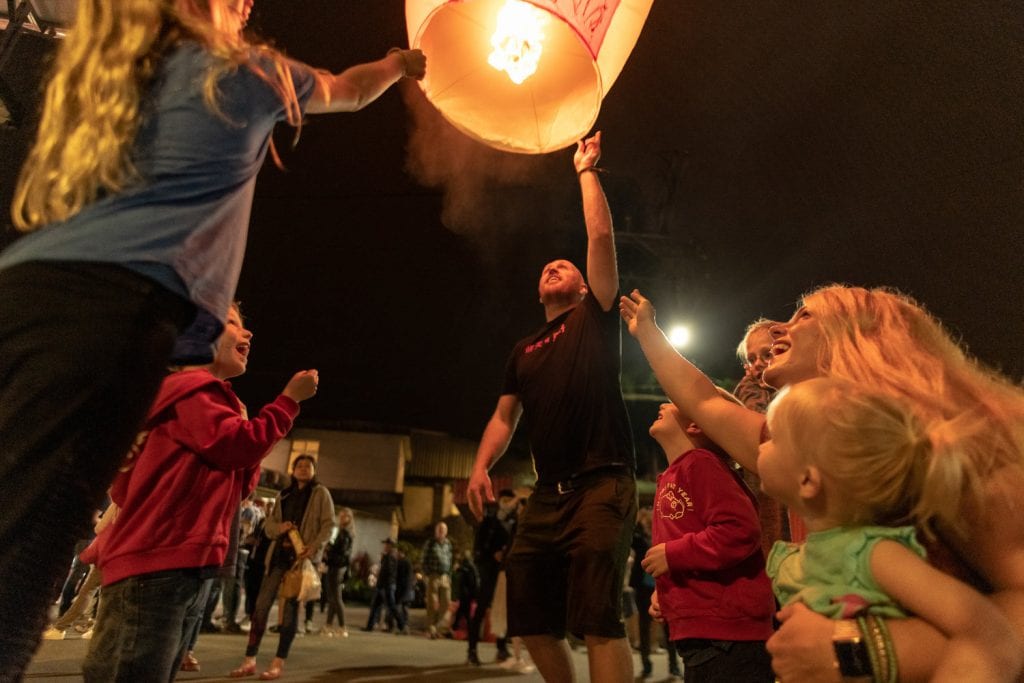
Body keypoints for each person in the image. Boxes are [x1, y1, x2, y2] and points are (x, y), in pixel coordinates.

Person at [0, 0, 424, 674]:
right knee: (23, 566)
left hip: (24, 288)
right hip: (111, 317)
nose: (250, 4)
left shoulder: (111, 72)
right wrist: (400, 64)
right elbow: (351, 86)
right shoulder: (245, 73)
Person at [619, 284, 1024, 680]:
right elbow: (704, 400)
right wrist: (649, 335)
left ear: (863, 338)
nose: (778, 327)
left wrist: (861, 648)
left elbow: (1004, 621)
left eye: (805, 314)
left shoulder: (962, 440)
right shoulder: (810, 450)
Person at [467, 131, 637, 683]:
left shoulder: (595, 319)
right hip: (547, 493)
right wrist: (479, 466)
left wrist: (586, 172)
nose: (552, 267)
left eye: (566, 266)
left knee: (597, 620)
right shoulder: (522, 350)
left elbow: (602, 235)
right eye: (547, 268)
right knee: (529, 614)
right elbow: (503, 418)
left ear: (587, 288)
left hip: (602, 484)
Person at [80, 303, 316, 681]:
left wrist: (246, 441)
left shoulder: (186, 397)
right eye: (233, 323)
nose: (248, 333)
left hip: (169, 561)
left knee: (123, 668)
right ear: (192, 337)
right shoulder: (193, 389)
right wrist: (288, 402)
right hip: (161, 558)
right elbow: (236, 447)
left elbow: (238, 481)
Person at [761, 377, 1022, 680]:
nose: (763, 444)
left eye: (775, 438)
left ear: (808, 481)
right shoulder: (813, 551)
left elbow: (985, 629)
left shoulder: (870, 553)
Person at [646, 399, 775, 681]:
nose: (664, 403)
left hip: (729, 638)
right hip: (707, 635)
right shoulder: (674, 474)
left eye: (675, 401)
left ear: (695, 424)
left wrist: (673, 556)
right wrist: (665, 591)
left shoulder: (701, 463)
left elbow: (739, 529)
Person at [467, 489, 518, 666]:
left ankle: (501, 648)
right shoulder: (489, 521)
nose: (507, 504)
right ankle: (472, 650)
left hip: (505, 572)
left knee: (503, 610)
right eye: (504, 500)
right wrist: (491, 555)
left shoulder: (515, 522)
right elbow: (479, 546)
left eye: (510, 500)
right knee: (481, 609)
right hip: (488, 570)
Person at [628, 508, 680, 679]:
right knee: (644, 626)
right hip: (643, 587)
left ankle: (673, 666)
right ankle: (646, 665)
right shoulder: (640, 536)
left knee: (667, 627)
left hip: (663, 584)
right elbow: (630, 537)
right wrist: (637, 522)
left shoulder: (663, 533)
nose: (648, 518)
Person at [321, 507, 354, 637]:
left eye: (344, 516)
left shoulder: (346, 534)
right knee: (332, 598)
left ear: (349, 519)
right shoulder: (338, 531)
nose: (341, 518)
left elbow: (343, 553)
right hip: (334, 566)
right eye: (340, 515)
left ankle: (342, 626)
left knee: (336, 597)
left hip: (338, 567)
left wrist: (330, 554)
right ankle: (329, 625)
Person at [421, 521, 454, 639]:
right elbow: (423, 559)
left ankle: (440, 628)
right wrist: (426, 574)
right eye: (439, 529)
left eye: (443, 530)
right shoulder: (430, 543)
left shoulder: (448, 544)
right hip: (433, 575)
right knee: (432, 603)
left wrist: (449, 575)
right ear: (436, 531)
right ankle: (431, 628)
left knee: (446, 602)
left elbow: (450, 559)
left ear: (446, 532)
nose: (441, 532)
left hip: (444, 576)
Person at [363, 538, 403, 634]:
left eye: (386, 544)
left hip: (387, 586)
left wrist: (378, 575)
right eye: (384, 544)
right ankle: (370, 626)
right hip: (382, 585)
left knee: (391, 606)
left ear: (390, 546)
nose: (384, 546)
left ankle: (402, 624)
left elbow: (388, 572)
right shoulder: (387, 556)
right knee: (375, 606)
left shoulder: (390, 557)